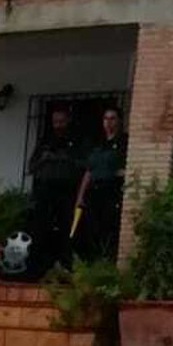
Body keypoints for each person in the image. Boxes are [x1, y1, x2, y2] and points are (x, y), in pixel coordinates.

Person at [27, 101, 82, 274]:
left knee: (66, 229)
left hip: (66, 191)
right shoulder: (45, 141)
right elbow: (31, 167)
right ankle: (38, 267)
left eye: (61, 122)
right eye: (55, 122)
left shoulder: (75, 141)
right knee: (41, 228)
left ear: (68, 121)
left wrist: (64, 158)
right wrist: (45, 158)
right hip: (45, 191)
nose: (58, 125)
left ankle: (65, 265)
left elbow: (82, 165)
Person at [75, 104, 128, 261]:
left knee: (109, 226)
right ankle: (93, 261)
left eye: (112, 119)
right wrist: (80, 196)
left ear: (119, 121)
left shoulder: (124, 142)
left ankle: (108, 260)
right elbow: (88, 171)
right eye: (106, 119)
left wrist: (122, 173)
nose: (108, 122)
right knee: (92, 227)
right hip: (94, 190)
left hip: (111, 189)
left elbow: (132, 165)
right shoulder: (98, 143)